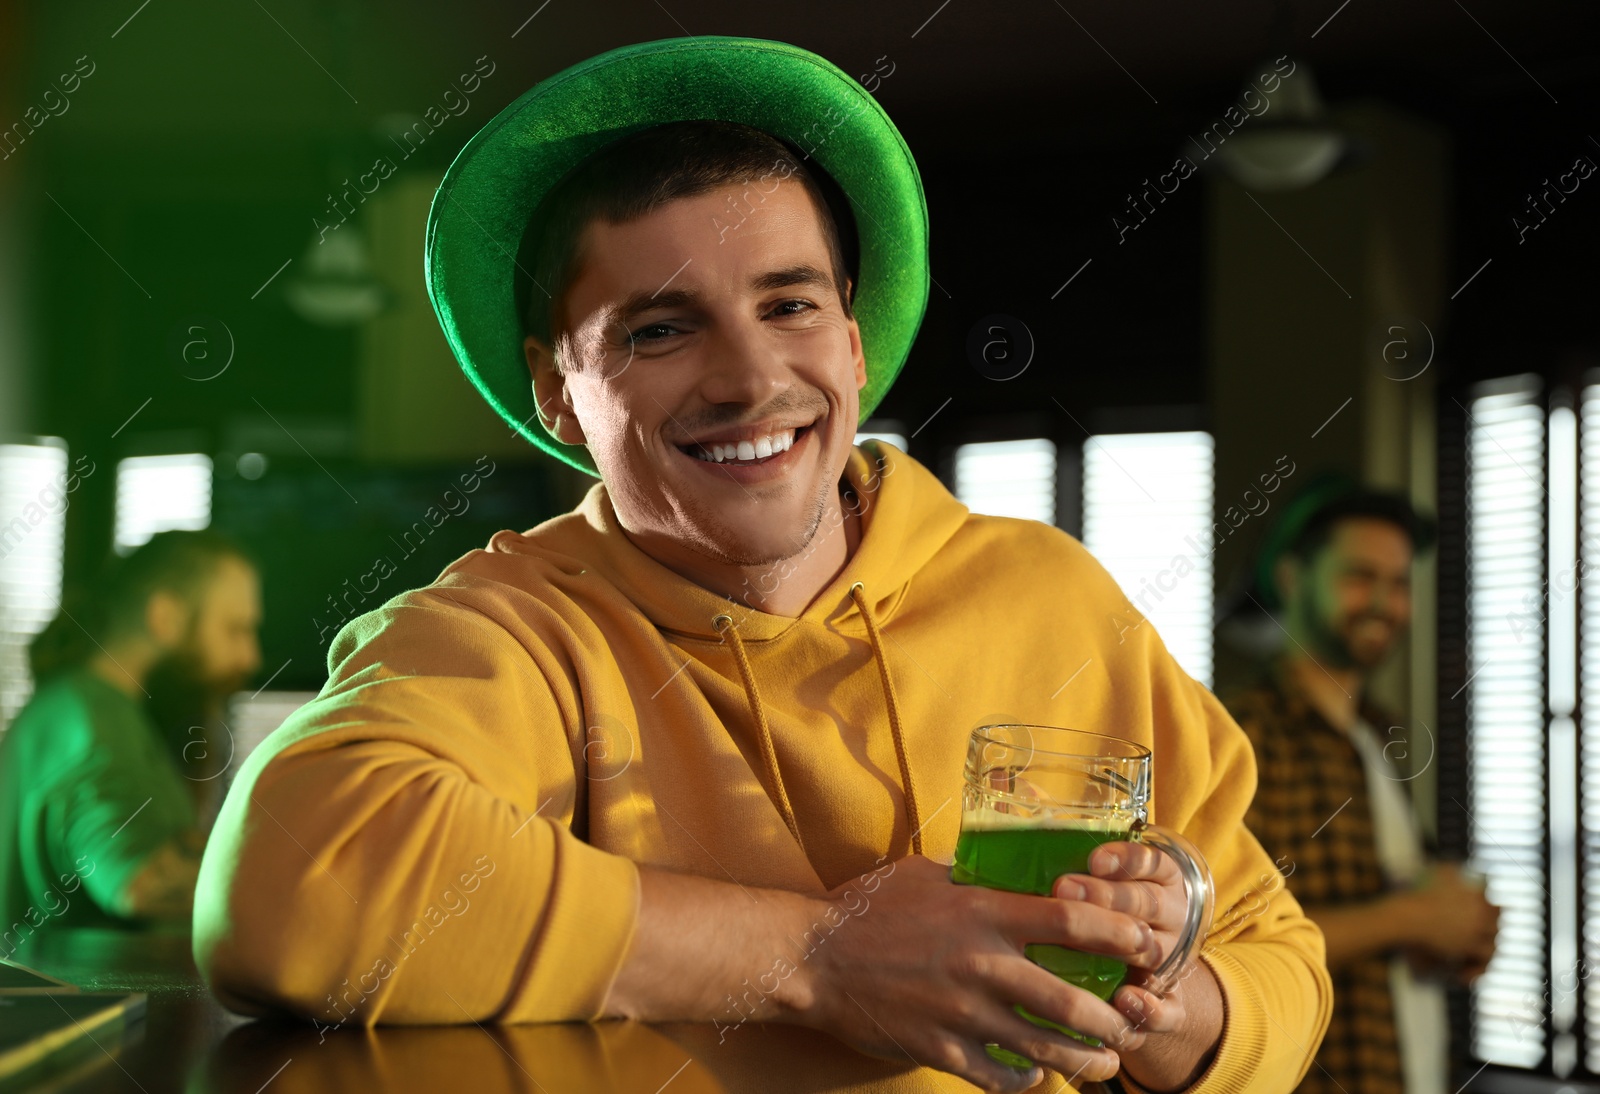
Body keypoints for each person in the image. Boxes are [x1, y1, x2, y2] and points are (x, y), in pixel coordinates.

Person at [194, 37, 1331, 1093]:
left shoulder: (1051, 593)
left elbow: (1279, 966)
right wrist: (819, 955)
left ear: (850, 338)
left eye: (788, 303)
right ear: (555, 388)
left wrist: (1154, 996)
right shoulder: (506, 628)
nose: (747, 378)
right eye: (658, 329)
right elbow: (285, 888)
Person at [1222, 479, 1499, 1094]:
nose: (1384, 602)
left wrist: (1449, 933)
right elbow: (1225, 940)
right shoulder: (1242, 734)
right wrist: (1410, 918)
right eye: (1360, 576)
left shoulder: (1381, 732)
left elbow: (1389, 915)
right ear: (1293, 578)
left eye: (1399, 583)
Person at [0, 528, 262, 943]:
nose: (251, 657)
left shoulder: (77, 706)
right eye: (235, 630)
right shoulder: (94, 722)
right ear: (165, 618)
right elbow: (139, 886)